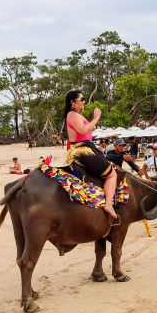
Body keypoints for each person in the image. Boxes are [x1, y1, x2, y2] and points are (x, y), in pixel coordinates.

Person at [64, 89, 118, 220]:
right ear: (73, 102)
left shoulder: (74, 115)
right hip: (82, 149)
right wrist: (96, 118)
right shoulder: (73, 115)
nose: (84, 102)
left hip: (85, 146)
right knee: (112, 175)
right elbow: (83, 130)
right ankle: (109, 205)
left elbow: (85, 134)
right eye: (81, 99)